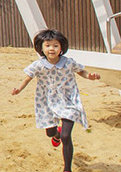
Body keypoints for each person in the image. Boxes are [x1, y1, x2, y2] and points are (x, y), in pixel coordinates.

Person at [11, 29, 101, 172]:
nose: (51, 49)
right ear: (41, 47)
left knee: (67, 136)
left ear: (61, 48)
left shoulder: (68, 62)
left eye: (55, 45)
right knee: (50, 133)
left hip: (68, 100)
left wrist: (90, 76)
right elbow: (28, 78)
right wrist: (19, 89)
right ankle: (56, 134)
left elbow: (81, 72)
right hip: (46, 102)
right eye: (47, 45)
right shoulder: (38, 65)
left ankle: (67, 169)